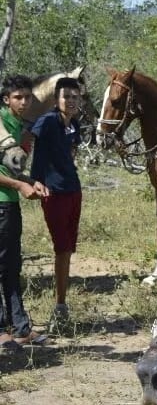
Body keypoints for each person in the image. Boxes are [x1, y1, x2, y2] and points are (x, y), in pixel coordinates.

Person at [30, 76, 83, 333]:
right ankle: (60, 308)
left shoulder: (75, 124)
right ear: (56, 99)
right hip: (54, 193)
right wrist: (34, 180)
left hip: (73, 189)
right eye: (66, 97)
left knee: (68, 248)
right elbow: (26, 144)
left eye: (75, 97)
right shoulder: (47, 121)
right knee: (61, 248)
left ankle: (61, 304)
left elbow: (71, 151)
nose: (71, 101)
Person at [0, 75, 50, 348]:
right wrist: (19, 184)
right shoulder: (2, 124)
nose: (24, 102)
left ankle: (20, 327)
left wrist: (29, 181)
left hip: (8, 203)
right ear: (7, 99)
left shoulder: (17, 125)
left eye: (28, 97)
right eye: (18, 97)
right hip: (2, 202)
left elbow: (9, 167)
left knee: (11, 266)